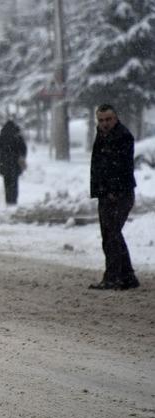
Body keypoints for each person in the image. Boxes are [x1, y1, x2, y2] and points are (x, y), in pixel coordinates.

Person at [89, 104, 139, 290]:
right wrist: (101, 190)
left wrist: (113, 190)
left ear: (116, 118)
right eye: (101, 120)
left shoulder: (122, 137)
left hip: (119, 194)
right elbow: (99, 166)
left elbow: (122, 168)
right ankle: (127, 276)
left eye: (108, 119)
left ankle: (113, 277)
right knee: (111, 235)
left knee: (112, 235)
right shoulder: (102, 136)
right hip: (106, 193)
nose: (105, 123)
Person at [0, 120, 28, 205]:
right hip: (15, 164)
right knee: (14, 183)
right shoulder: (18, 137)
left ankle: (8, 200)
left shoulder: (1, 137)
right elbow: (23, 150)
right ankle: (14, 200)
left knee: (7, 183)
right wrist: (21, 158)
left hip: (4, 164)